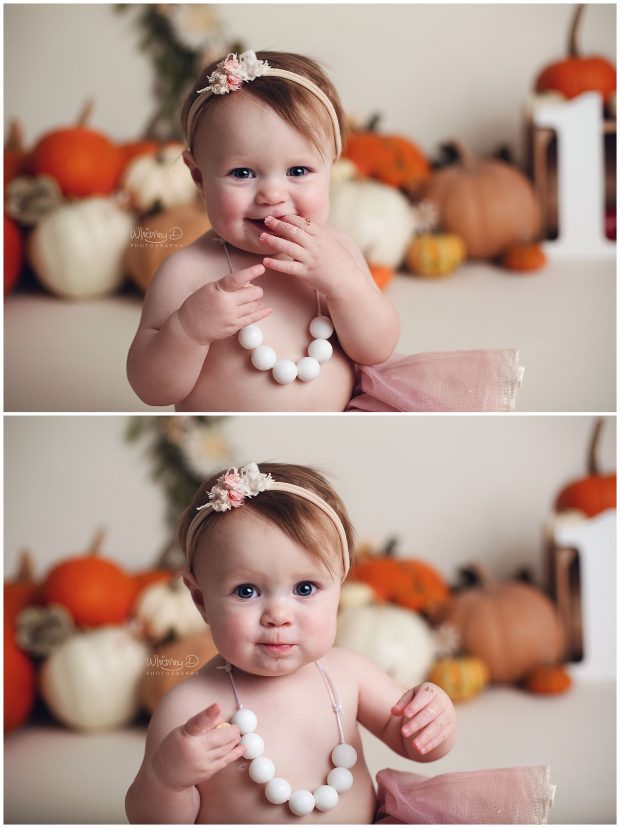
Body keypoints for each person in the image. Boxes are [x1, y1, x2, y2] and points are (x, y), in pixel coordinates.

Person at [125, 462, 554, 824]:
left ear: (340, 590)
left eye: (306, 588)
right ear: (201, 600)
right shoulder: (190, 712)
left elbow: (418, 746)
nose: (279, 615)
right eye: (247, 591)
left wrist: (435, 716)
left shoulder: (350, 674)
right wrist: (167, 779)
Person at [127, 50, 523, 413]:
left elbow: (377, 348)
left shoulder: (338, 251)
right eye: (242, 173)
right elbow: (153, 388)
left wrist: (345, 286)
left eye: (298, 171)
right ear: (199, 176)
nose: (272, 194)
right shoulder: (187, 272)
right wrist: (188, 331)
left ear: (332, 166)